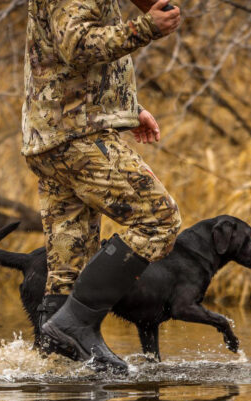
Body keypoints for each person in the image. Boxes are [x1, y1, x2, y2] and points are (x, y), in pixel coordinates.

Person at [22, 0, 182, 373]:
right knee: (159, 219)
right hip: (77, 137)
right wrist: (145, 27)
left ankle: (54, 361)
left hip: (55, 136)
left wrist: (127, 109)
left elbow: (63, 57)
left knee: (69, 265)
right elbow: (76, 45)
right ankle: (73, 326)